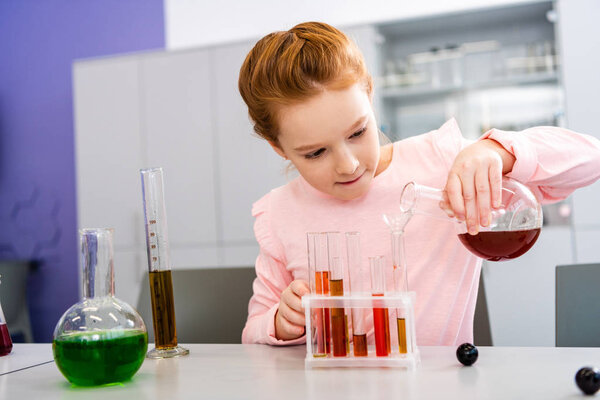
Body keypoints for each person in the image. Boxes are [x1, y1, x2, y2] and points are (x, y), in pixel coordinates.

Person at [238, 21, 600, 346]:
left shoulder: (442, 163)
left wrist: (495, 151)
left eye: (358, 132)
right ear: (279, 148)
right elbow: (253, 328)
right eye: (316, 153)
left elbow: (591, 158)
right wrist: (280, 323)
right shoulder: (280, 214)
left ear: (369, 92)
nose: (347, 165)